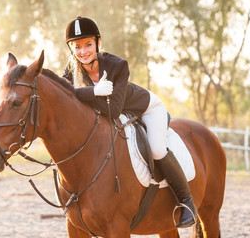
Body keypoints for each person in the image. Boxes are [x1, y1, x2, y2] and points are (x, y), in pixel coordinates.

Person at [62, 16, 197, 228]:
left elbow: (113, 109)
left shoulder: (117, 65)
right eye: (77, 46)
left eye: (88, 44)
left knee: (157, 149)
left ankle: (186, 201)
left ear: (97, 42)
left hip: (147, 109)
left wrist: (83, 95)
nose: (83, 52)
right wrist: (94, 91)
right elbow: (67, 96)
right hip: (120, 113)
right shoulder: (72, 70)